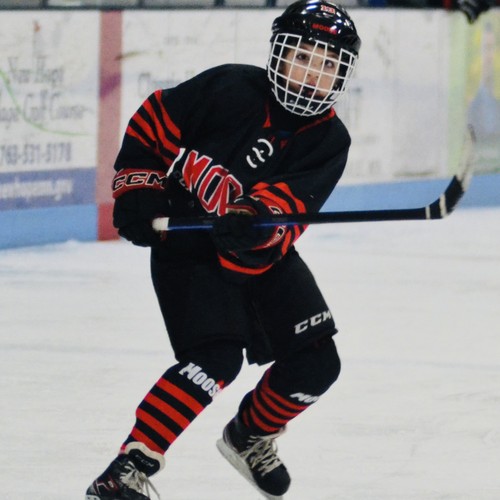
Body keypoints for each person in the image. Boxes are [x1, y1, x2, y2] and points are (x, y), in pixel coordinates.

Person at [85, 1, 361, 499]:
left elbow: (290, 207)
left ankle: (249, 435)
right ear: (279, 53)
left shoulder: (329, 141)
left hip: (262, 256)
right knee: (214, 359)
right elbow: (153, 122)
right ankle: (126, 469)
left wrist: (254, 220)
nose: (311, 74)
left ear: (342, 76)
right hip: (187, 245)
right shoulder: (229, 87)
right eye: (302, 57)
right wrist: (139, 187)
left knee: (318, 364)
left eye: (326, 65)